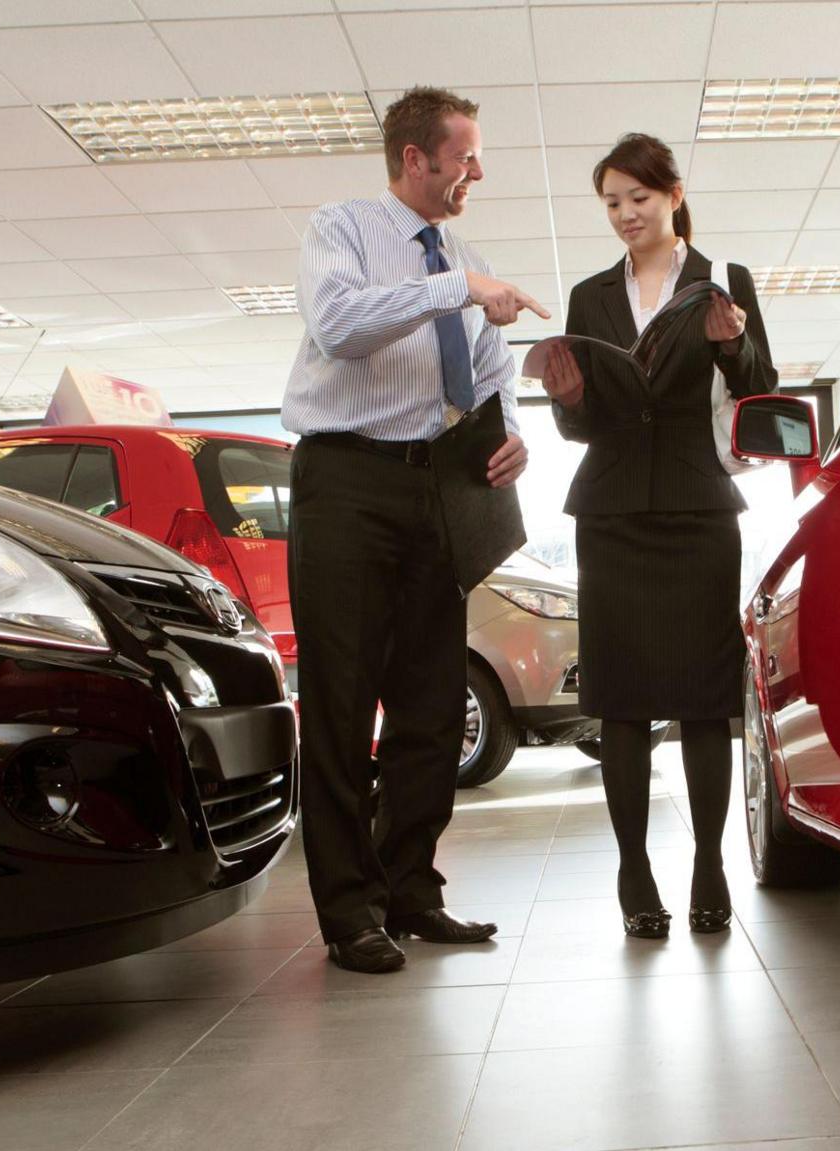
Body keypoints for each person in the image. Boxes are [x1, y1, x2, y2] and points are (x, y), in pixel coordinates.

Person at [281, 87, 549, 974]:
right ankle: (349, 909)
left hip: (436, 486)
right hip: (346, 479)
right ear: (415, 159)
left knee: (432, 705)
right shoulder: (344, 228)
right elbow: (340, 326)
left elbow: (486, 364)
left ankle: (412, 890)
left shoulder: (459, 254)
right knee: (343, 699)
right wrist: (455, 285)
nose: (476, 171)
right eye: (464, 156)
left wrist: (509, 428)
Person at [541, 133, 778, 938]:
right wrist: (568, 399)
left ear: (673, 194)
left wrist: (730, 342)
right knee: (623, 703)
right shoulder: (590, 294)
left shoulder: (723, 281)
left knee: (707, 700)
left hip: (697, 508)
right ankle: (634, 867)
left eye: (637, 199)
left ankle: (710, 861)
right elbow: (583, 421)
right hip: (611, 512)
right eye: (610, 203)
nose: (624, 215)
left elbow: (759, 391)